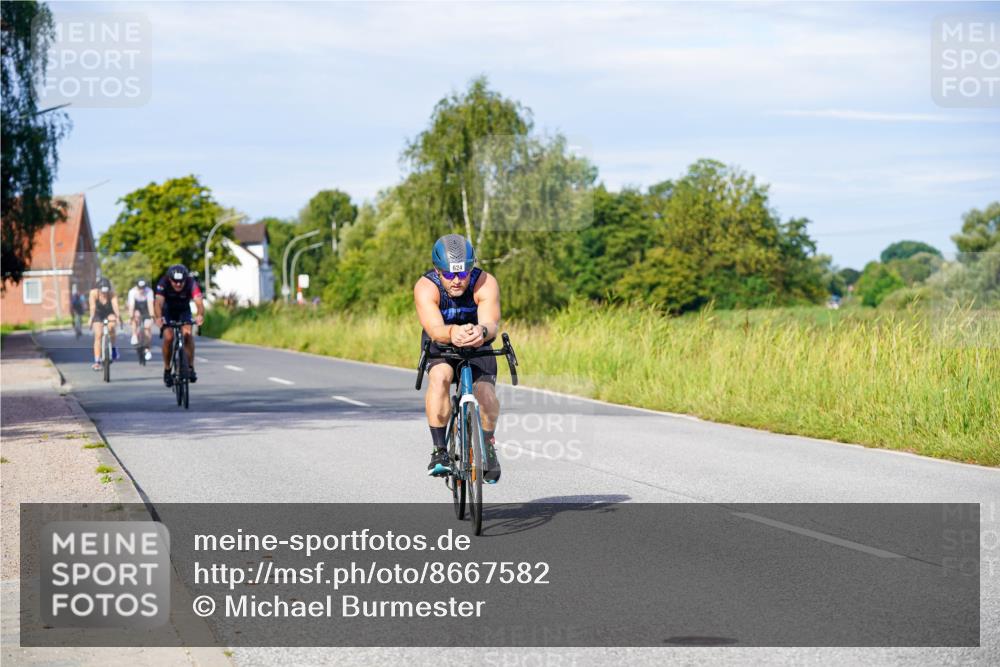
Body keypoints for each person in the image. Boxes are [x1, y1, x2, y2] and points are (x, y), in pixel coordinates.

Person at [414, 234, 502, 482]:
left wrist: (481, 331)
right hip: (442, 341)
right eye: (449, 274)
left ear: (470, 269)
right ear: (437, 270)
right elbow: (435, 329)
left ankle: (487, 446)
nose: (456, 281)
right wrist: (453, 332)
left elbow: (491, 323)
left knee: (485, 393)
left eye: (462, 274)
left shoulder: (484, 282)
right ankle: (440, 451)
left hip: (478, 342)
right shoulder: (426, 287)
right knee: (441, 377)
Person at [154, 264, 205, 387]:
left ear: (185, 279)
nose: (178, 284)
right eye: (175, 282)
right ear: (170, 279)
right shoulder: (163, 282)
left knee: (187, 334)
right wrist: (158, 317)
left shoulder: (191, 282)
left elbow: (199, 302)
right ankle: (167, 369)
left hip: (184, 311)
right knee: (169, 337)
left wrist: (200, 315)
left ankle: (191, 367)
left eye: (181, 282)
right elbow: (158, 303)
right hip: (168, 311)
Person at [88, 277, 120, 370]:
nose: (104, 294)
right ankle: (97, 361)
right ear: (98, 289)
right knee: (98, 335)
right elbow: (92, 307)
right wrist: (91, 319)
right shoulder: (93, 293)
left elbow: (115, 306)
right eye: (102, 292)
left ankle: (113, 348)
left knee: (112, 327)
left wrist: (118, 317)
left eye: (106, 291)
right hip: (98, 313)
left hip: (109, 312)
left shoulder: (112, 294)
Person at [127, 278, 155, 361]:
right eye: (140, 288)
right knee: (135, 316)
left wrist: (152, 317)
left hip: (146, 308)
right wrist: (131, 317)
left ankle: (147, 349)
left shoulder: (149, 291)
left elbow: (150, 305)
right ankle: (134, 334)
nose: (142, 290)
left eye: (143, 288)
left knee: (147, 328)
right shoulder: (132, 292)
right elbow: (131, 306)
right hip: (136, 308)